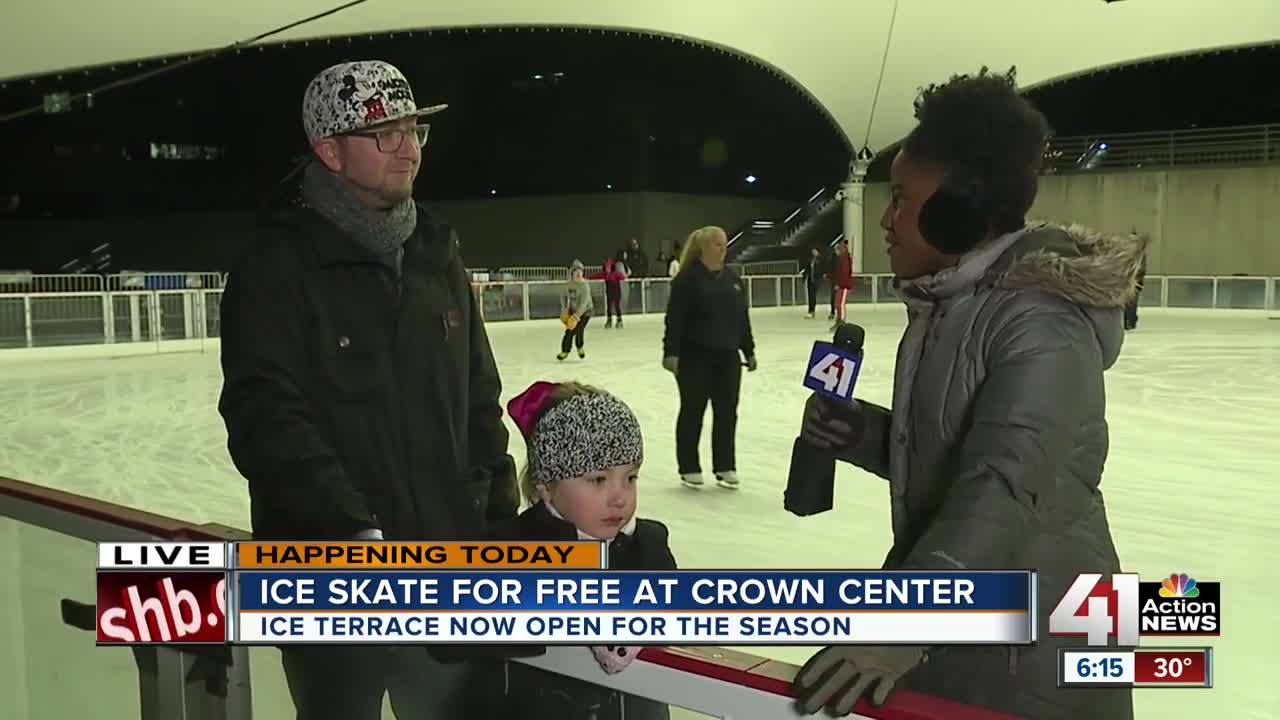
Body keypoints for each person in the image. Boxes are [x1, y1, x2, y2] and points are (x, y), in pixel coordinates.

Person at [794, 67, 1142, 719]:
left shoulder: (1040, 318)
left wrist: (907, 621)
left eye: (901, 197)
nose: (887, 219)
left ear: (960, 208)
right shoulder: (949, 305)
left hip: (1047, 634)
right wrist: (866, 434)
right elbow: (958, 445)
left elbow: (1006, 481)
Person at [217, 59, 518, 720]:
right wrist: (352, 530)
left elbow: (479, 406)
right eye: (385, 132)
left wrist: (499, 526)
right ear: (328, 149)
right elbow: (265, 417)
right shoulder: (276, 267)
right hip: (334, 583)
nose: (408, 147)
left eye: (414, 129)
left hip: (452, 576)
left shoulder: (439, 254)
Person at [498, 380, 677, 720]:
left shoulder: (647, 544)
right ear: (547, 487)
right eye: (598, 479)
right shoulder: (516, 545)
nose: (620, 496)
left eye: (631, 478)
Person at [662, 226, 758, 490]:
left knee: (727, 413)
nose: (723, 249)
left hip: (728, 357)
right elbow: (675, 319)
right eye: (717, 244)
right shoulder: (687, 280)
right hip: (695, 357)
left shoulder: (733, 280)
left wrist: (748, 350)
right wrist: (671, 352)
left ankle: (725, 465)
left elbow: (742, 319)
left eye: (724, 244)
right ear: (703, 248)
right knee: (693, 411)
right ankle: (689, 466)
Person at [558, 259, 593, 360]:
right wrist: (564, 309)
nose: (578, 274)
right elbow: (563, 296)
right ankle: (565, 351)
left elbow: (584, 303)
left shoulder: (585, 286)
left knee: (579, 329)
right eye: (576, 272)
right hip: (573, 309)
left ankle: (579, 346)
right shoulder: (568, 284)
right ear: (572, 273)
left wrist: (576, 317)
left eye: (580, 272)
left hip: (586, 311)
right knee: (569, 331)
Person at [1124, 236, 1148, 330]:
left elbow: (1142, 269)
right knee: (1126, 303)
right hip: (1126, 282)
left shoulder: (1141, 255)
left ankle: (1131, 321)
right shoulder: (1125, 253)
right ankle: (1126, 321)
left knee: (1133, 303)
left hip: (1136, 281)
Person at [829, 238, 853, 328]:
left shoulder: (844, 259)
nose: (836, 251)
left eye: (838, 248)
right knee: (837, 303)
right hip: (840, 285)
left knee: (840, 304)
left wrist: (839, 284)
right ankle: (838, 320)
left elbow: (844, 273)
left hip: (844, 285)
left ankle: (841, 321)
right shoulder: (840, 259)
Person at [801, 246, 822, 318]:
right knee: (810, 296)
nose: (813, 252)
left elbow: (823, 269)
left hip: (816, 280)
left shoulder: (820, 259)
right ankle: (810, 311)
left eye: (815, 251)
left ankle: (812, 311)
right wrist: (804, 276)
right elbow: (807, 269)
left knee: (813, 296)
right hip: (810, 280)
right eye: (813, 251)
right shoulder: (810, 260)